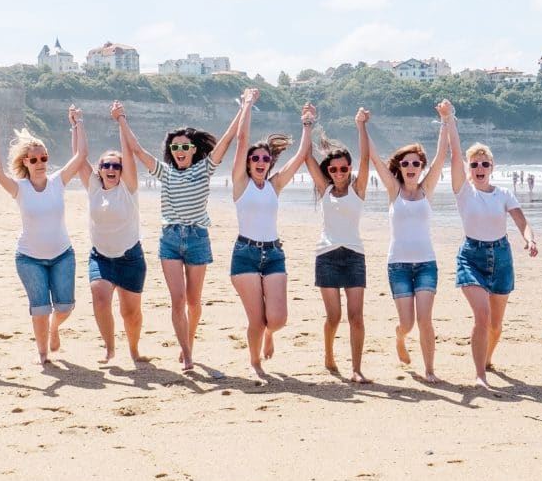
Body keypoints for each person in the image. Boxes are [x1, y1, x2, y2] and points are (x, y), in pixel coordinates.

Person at [112, 99, 242, 372]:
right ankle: (187, 354)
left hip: (197, 238)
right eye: (175, 147)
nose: (180, 150)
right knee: (178, 300)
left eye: (185, 146)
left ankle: (189, 343)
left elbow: (228, 140)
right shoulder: (165, 171)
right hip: (170, 238)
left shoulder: (204, 169)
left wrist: (243, 109)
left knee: (194, 302)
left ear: (194, 150)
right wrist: (120, 117)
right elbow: (136, 149)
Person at [444, 112, 538, 387]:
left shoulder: (504, 194)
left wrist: (530, 239)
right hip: (471, 256)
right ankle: (480, 375)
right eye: (475, 164)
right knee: (482, 316)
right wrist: (450, 121)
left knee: (496, 326)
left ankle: (486, 359)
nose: (480, 167)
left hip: (501, 257)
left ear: (492, 167)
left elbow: (522, 222)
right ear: (469, 168)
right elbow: (454, 153)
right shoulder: (463, 191)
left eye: (485, 163)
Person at [0, 114, 86, 365]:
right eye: (34, 159)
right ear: (26, 163)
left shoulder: (58, 182)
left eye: (44, 158)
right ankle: (43, 355)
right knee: (40, 308)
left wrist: (78, 123)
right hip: (29, 259)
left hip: (62, 254)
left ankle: (55, 328)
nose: (40, 162)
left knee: (65, 307)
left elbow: (81, 156)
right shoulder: (20, 188)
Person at [230, 90, 316, 381]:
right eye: (255, 158)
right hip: (245, 255)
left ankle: (270, 334)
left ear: (270, 162)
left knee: (277, 319)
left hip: (273, 254)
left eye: (265, 158)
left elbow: (302, 155)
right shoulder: (240, 184)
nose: (260, 161)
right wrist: (248, 106)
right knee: (256, 318)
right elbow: (241, 141)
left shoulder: (274, 185)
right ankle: (254, 363)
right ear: (248, 162)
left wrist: (307, 123)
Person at [366, 101, 453, 382]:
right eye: (406, 163)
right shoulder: (394, 189)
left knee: (425, 320)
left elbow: (442, 155)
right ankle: (399, 338)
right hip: (398, 266)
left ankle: (429, 370)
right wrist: (363, 125)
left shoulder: (427, 188)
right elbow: (375, 158)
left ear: (421, 166)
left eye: (416, 163)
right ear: (400, 167)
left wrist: (445, 119)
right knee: (407, 323)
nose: (411, 167)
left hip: (426, 264)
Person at [69, 103, 147, 364]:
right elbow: (79, 157)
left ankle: (134, 350)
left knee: (130, 312)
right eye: (106, 165)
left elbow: (129, 153)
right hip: (100, 257)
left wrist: (120, 120)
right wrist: (76, 123)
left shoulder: (129, 188)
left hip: (130, 258)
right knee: (99, 296)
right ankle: (110, 348)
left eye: (116, 166)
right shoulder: (93, 186)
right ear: (99, 169)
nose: (111, 169)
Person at [304, 108, 370, 382]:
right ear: (328, 172)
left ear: (350, 169)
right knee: (334, 317)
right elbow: (306, 157)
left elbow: (366, 157)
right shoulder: (326, 190)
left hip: (354, 256)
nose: (340, 172)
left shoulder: (359, 188)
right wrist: (307, 122)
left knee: (356, 317)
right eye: (334, 169)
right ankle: (329, 355)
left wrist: (360, 125)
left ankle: (355, 369)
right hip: (327, 255)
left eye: (344, 168)